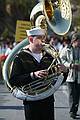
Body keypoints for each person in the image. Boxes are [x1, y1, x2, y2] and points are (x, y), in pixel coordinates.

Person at [9, 27, 66, 120]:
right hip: (31, 103)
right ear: (31, 39)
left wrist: (65, 71)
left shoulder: (49, 56)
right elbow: (13, 80)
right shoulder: (20, 57)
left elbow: (59, 79)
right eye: (40, 38)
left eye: (44, 37)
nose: (44, 41)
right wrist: (33, 75)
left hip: (48, 101)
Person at [60, 33, 80, 119]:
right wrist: (70, 65)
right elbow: (61, 59)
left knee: (78, 95)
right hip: (70, 75)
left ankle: (75, 111)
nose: (79, 43)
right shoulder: (66, 49)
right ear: (73, 41)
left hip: (79, 75)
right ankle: (72, 112)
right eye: (78, 41)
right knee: (72, 94)